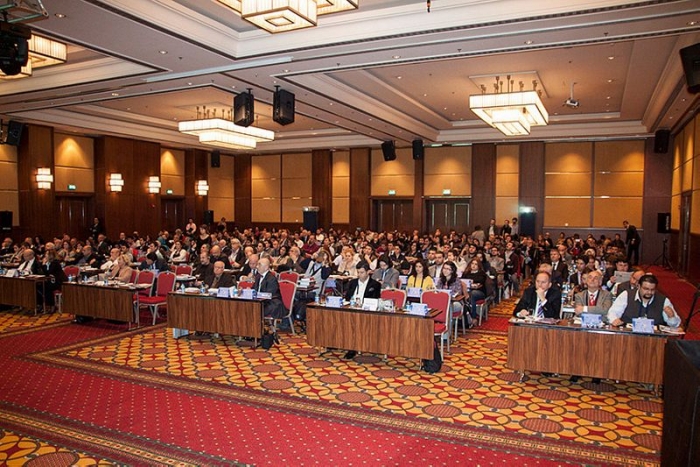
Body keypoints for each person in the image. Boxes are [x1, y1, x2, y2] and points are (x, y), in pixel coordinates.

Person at [607, 274, 680, 327]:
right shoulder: (626, 295)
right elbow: (612, 313)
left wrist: (671, 317)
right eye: (646, 289)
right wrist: (614, 320)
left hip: (654, 338)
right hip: (629, 335)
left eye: (652, 290)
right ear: (638, 286)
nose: (649, 292)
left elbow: (675, 325)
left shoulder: (663, 300)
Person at [342, 261, 381, 359]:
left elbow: (375, 300)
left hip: (366, 311)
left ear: (368, 272)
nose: (359, 275)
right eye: (358, 272)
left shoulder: (375, 285)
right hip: (351, 309)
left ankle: (354, 347)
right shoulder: (352, 283)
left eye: (362, 272)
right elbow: (347, 298)